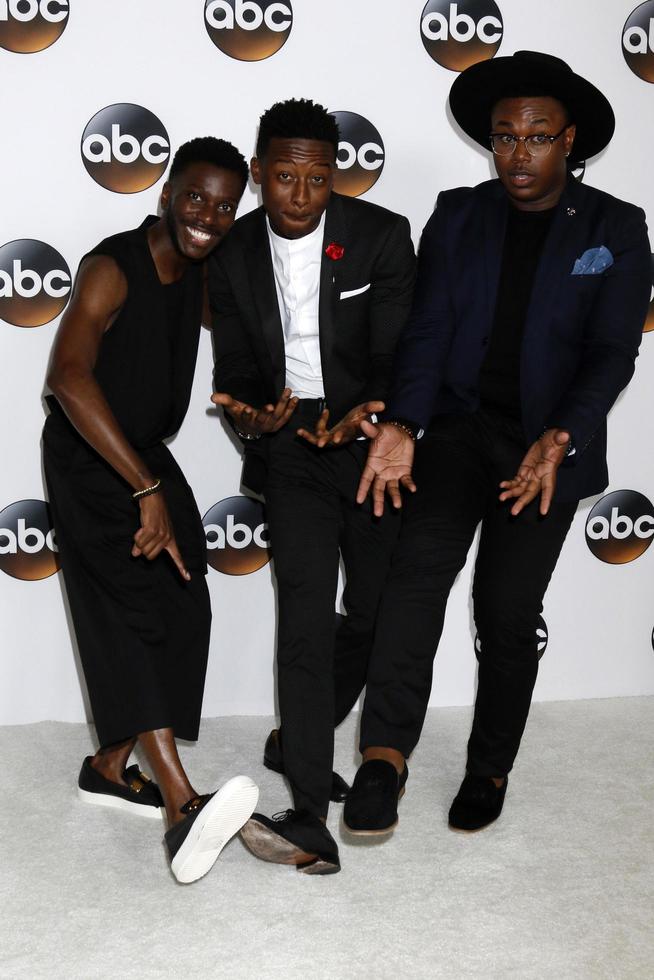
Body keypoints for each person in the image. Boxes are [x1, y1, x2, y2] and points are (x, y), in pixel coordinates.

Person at [346, 51, 651, 836]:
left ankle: (490, 766)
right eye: (505, 137)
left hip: (543, 450)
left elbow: (613, 351)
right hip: (457, 430)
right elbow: (430, 329)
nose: (518, 153)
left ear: (570, 141)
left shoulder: (616, 227)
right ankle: (383, 757)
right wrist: (405, 425)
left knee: (507, 610)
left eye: (538, 136)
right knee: (416, 578)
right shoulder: (458, 214)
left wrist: (562, 434)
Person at [43, 137, 259, 884]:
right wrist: (144, 491)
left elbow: (241, 334)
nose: (209, 215)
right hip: (87, 451)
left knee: (184, 597)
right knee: (131, 607)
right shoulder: (112, 268)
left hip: (139, 454)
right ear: (166, 192)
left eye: (226, 205)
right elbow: (68, 380)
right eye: (196, 197)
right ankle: (179, 803)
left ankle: (108, 765)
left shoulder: (200, 271)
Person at [209, 99, 415, 874]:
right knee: (302, 616)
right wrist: (258, 423)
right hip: (292, 446)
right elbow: (233, 371)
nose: (300, 197)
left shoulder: (381, 236)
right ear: (260, 173)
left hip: (366, 441)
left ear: (338, 176)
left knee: (369, 607)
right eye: (285, 177)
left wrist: (378, 416)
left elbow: (404, 355)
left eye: (318, 179)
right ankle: (306, 809)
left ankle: (304, 729)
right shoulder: (229, 254)